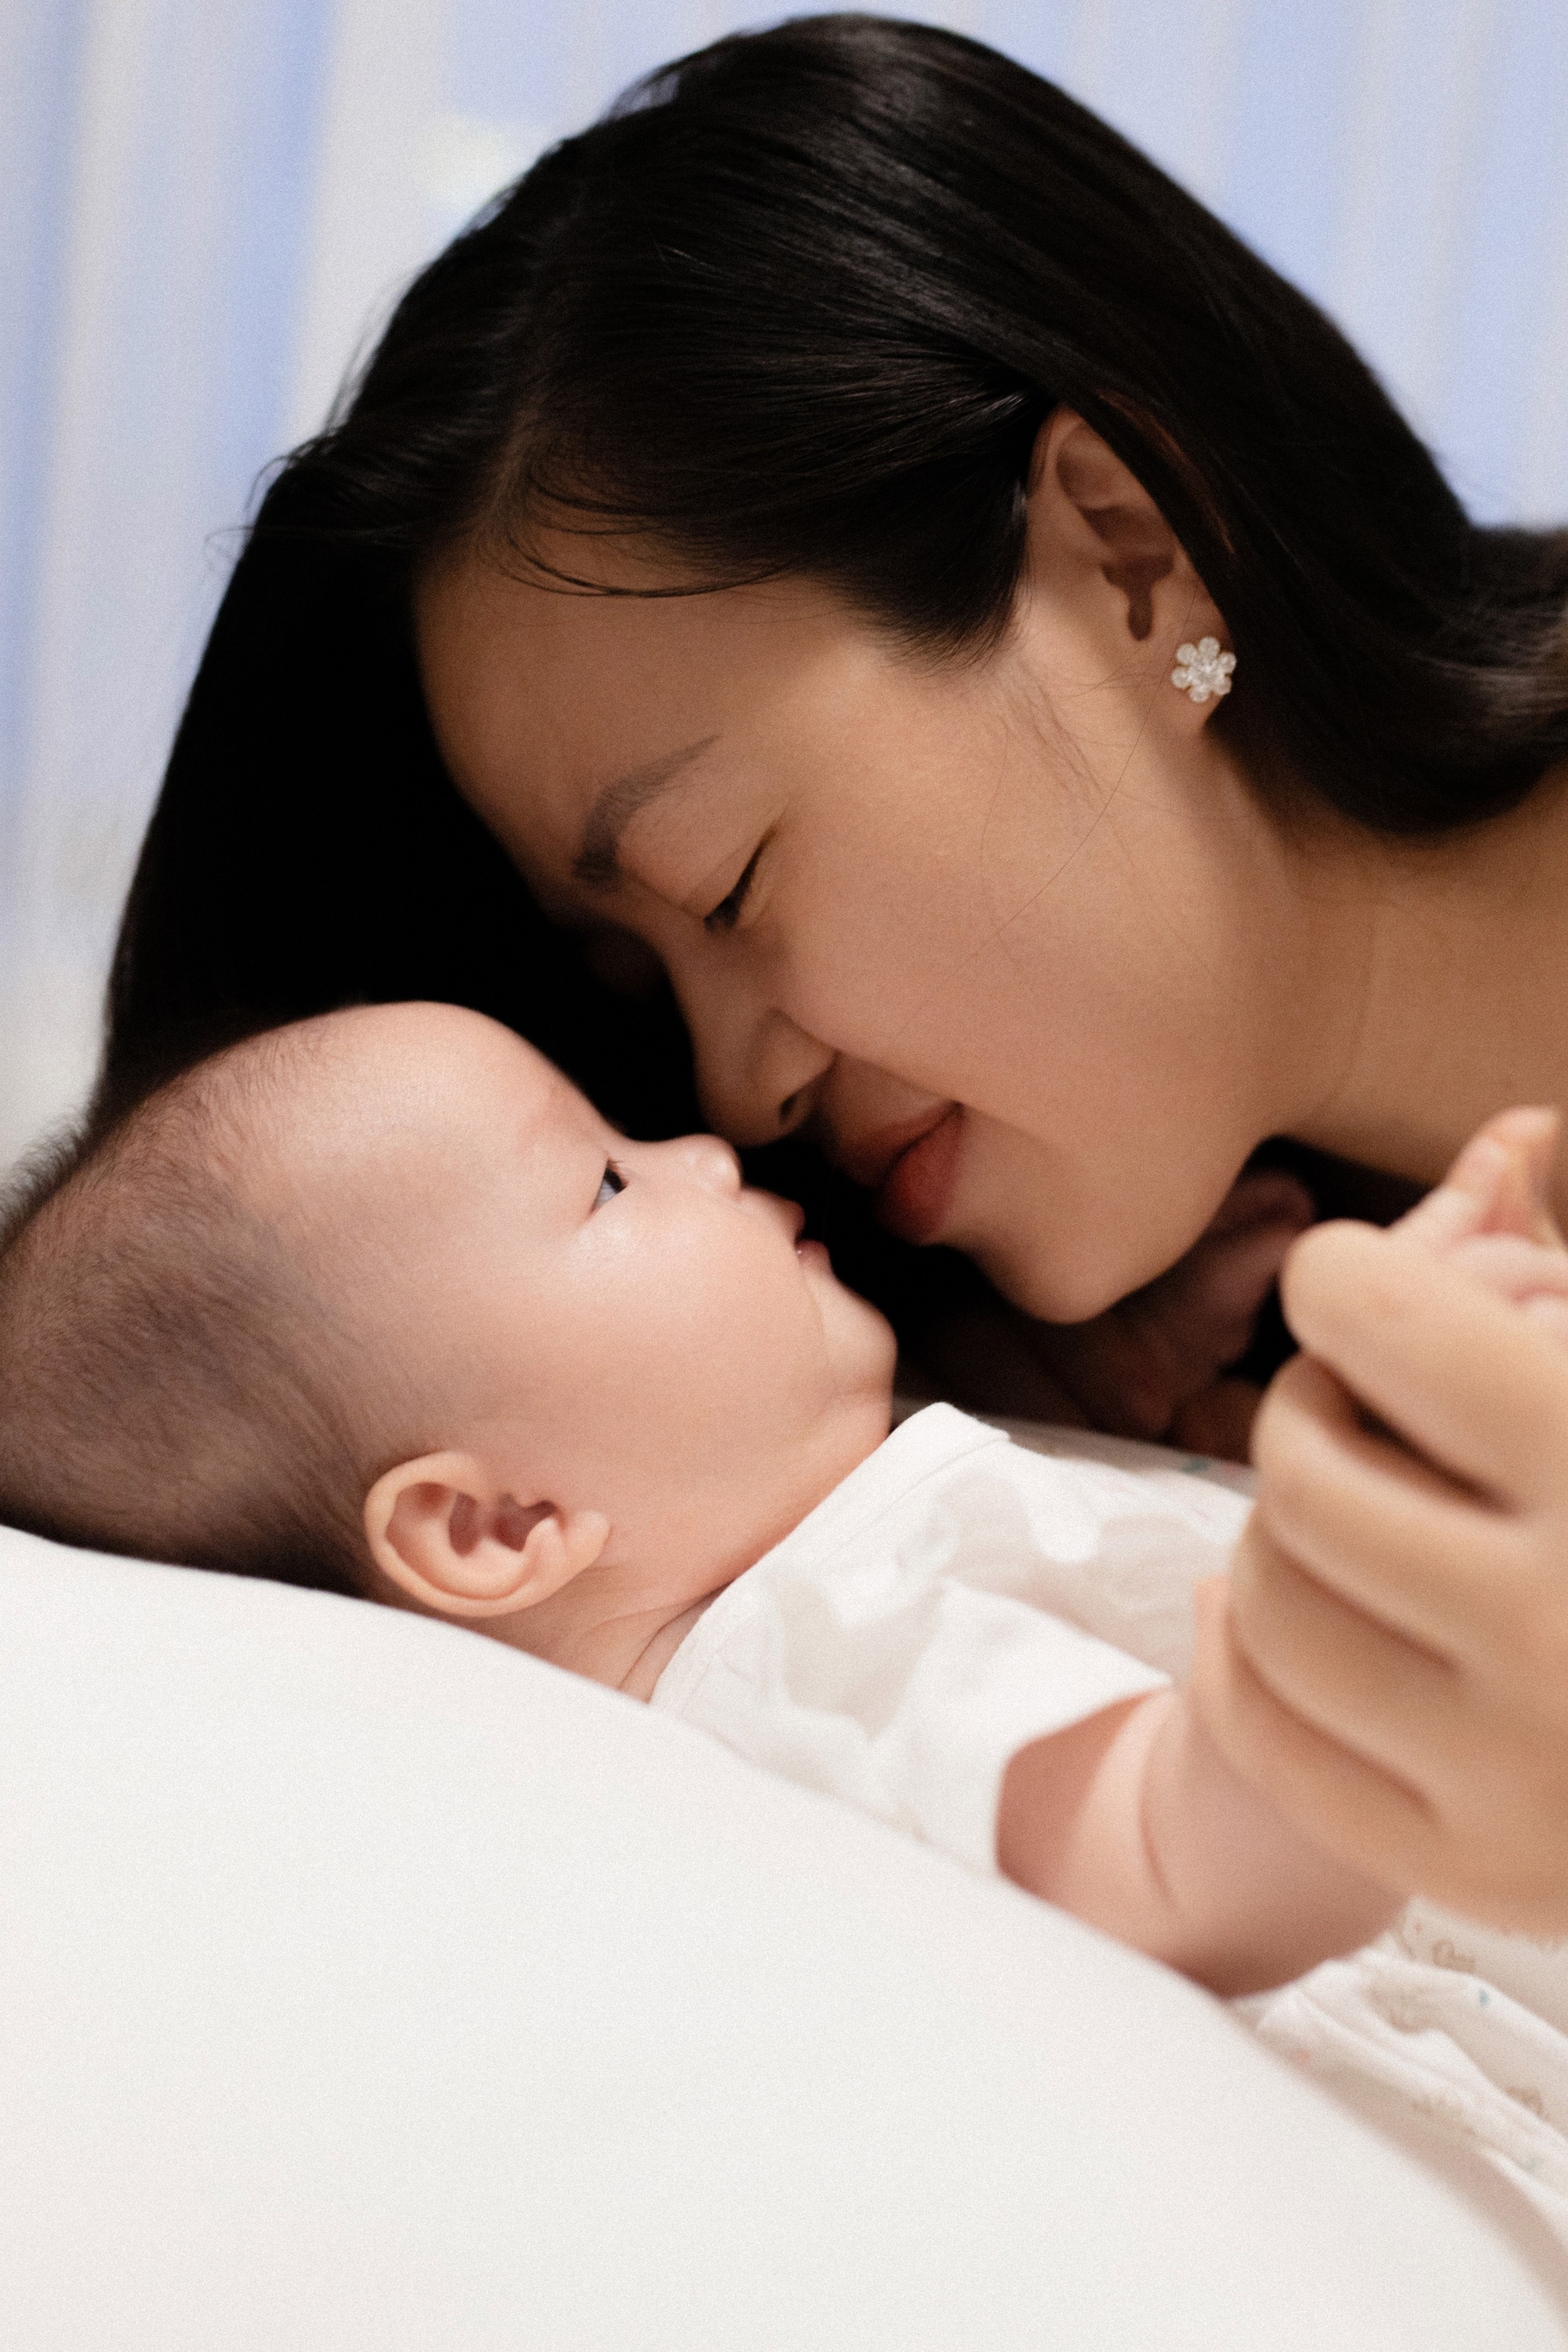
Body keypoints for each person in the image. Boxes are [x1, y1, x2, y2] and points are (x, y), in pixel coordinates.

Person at [95, 23, 1568, 1921]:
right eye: (640, 991)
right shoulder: (1094, 1442)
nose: (734, 1096)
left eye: (726, 885)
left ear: (1132, 563)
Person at [0, 999, 1399, 1998]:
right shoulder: (822, 1664)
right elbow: (1180, 1856)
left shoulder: (816, 1518)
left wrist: (1140, 1367)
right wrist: (1400, 1558)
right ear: (500, 1526)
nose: (709, 1154)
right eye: (609, 1182)